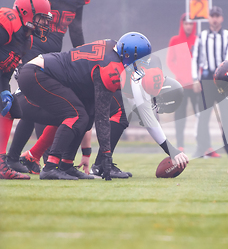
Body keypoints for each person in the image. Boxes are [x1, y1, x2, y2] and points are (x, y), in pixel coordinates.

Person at [16, 32, 151, 180]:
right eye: (139, 60)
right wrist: (106, 154)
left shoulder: (113, 49)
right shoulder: (110, 68)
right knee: (76, 115)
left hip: (45, 72)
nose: (141, 65)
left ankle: (66, 166)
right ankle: (50, 167)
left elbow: (94, 111)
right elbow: (102, 116)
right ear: (127, 56)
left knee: (85, 116)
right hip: (39, 73)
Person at [7, 0, 91, 173]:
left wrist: (82, 59)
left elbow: (76, 30)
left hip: (54, 57)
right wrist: (17, 52)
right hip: (31, 50)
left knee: (53, 106)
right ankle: (15, 158)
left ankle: (33, 157)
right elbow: (20, 21)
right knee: (32, 104)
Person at [0, 0, 52, 180]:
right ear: (27, 12)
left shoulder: (26, 39)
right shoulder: (7, 22)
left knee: (10, 109)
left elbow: (6, 68)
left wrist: (3, 89)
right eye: (41, 18)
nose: (44, 23)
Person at [191, 6, 228, 157]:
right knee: (203, 117)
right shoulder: (201, 36)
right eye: (212, 16)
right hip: (207, 79)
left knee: (227, 116)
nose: (215, 19)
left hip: (223, 80)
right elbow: (195, 58)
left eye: (217, 16)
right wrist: (195, 80)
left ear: (221, 18)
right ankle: (202, 148)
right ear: (209, 18)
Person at [166, 13, 198, 152]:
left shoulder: (198, 40)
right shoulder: (175, 40)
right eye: (186, 23)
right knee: (180, 116)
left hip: (196, 86)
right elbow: (169, 61)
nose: (188, 26)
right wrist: (180, 75)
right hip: (180, 85)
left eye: (191, 24)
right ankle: (180, 145)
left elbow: (201, 62)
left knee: (201, 115)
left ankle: (203, 144)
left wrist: (197, 79)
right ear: (182, 24)